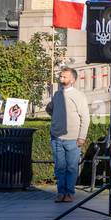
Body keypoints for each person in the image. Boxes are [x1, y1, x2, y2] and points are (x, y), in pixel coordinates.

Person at [46, 67, 90, 204]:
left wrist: (81, 137)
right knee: (59, 167)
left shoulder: (79, 96)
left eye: (64, 77)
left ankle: (69, 193)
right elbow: (51, 109)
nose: (61, 78)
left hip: (73, 139)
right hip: (56, 137)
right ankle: (61, 193)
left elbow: (86, 118)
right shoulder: (57, 94)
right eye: (61, 76)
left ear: (73, 79)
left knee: (71, 167)